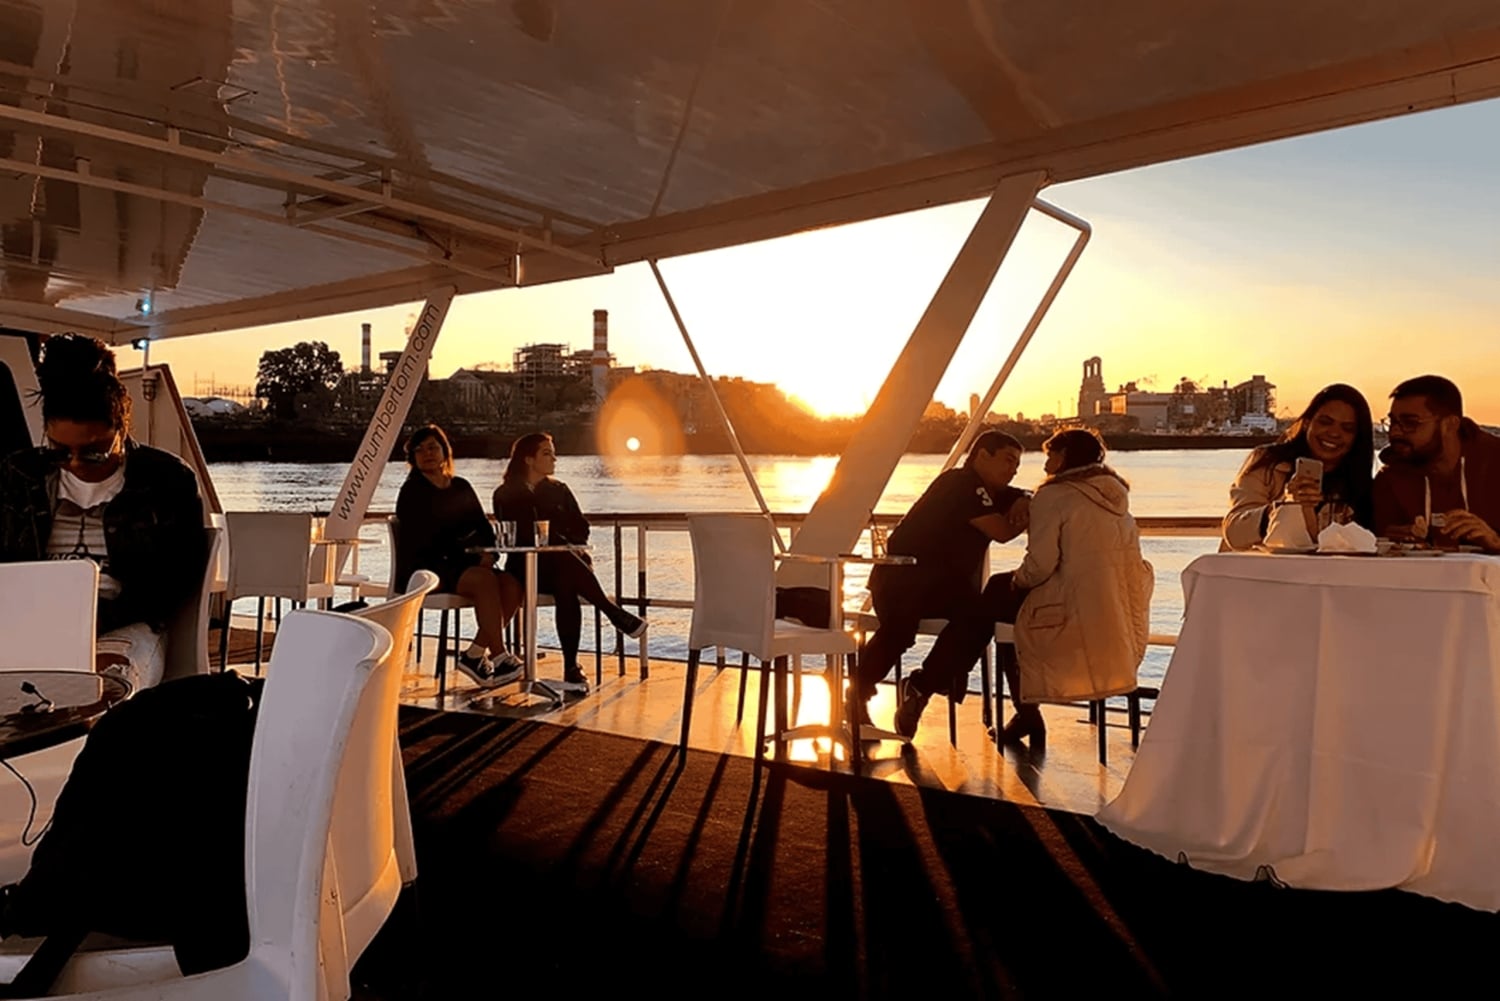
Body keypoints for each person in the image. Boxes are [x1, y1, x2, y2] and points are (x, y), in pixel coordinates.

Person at [0, 333, 207, 691]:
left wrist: (94, 616)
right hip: (29, 625)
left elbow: (178, 577)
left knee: (102, 684)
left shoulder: (165, 479)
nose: (76, 464)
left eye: (93, 452)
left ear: (121, 428)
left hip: (125, 625)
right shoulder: (18, 475)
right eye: (59, 451)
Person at [848, 430, 1031, 738]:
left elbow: (1018, 492)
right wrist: (1026, 516)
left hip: (941, 585)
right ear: (982, 455)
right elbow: (1000, 531)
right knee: (899, 631)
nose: (1013, 469)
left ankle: (922, 686)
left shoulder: (989, 489)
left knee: (979, 616)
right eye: (1008, 460)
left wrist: (1025, 498)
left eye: (1017, 463)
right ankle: (855, 697)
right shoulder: (961, 484)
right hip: (901, 577)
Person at [991, 428, 1154, 750]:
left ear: (1064, 457)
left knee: (997, 601)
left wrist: (1016, 582)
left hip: (1074, 598)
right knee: (999, 601)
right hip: (1116, 601)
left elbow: (1040, 564)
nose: (1045, 464)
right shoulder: (1114, 496)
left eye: (1050, 454)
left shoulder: (1054, 496)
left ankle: (1024, 711)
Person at [492, 432, 647, 694]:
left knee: (566, 581)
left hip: (560, 569)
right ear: (528, 459)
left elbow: (581, 527)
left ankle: (571, 666)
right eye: (547, 453)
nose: (554, 458)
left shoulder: (559, 490)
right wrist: (559, 541)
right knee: (565, 565)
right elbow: (521, 536)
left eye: (553, 452)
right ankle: (611, 613)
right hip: (524, 569)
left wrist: (564, 541)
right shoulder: (506, 493)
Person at [393, 424, 524, 688]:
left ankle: (474, 654)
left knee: (512, 584)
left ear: (445, 451)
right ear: (412, 459)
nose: (426, 453)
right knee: (484, 580)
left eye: (432, 447)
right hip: (428, 569)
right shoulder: (412, 493)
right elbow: (427, 541)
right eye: (419, 450)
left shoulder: (461, 487)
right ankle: (498, 656)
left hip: (465, 564)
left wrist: (490, 554)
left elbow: (483, 528)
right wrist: (473, 557)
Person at [1221, 384, 1375, 551]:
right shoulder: (1268, 463)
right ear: (1307, 423)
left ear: (1357, 438)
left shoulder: (1358, 484)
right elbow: (1234, 532)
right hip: (1261, 573)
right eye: (1325, 422)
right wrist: (1285, 507)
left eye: (1347, 428)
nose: (1334, 433)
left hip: (1327, 575)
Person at [1372, 375, 1500, 550]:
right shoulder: (1390, 479)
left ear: (1450, 424)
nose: (1395, 432)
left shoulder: (1492, 462)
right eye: (1393, 422)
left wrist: (1495, 542)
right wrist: (1389, 540)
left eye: (1410, 423)